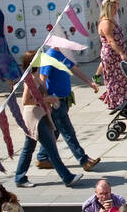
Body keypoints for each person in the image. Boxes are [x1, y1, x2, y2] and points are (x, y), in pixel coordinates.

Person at [13, 50, 78, 188]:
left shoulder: (36, 77)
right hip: (34, 117)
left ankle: (19, 177)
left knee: (28, 148)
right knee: (50, 147)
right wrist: (46, 99)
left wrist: (50, 101)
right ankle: (67, 177)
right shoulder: (29, 79)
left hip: (40, 114)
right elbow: (25, 101)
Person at [35, 46, 100, 172]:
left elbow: (74, 69)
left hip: (63, 99)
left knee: (55, 131)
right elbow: (43, 79)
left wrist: (89, 82)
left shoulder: (60, 54)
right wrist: (46, 100)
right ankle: (83, 160)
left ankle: (42, 158)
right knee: (68, 131)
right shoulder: (50, 57)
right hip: (56, 101)